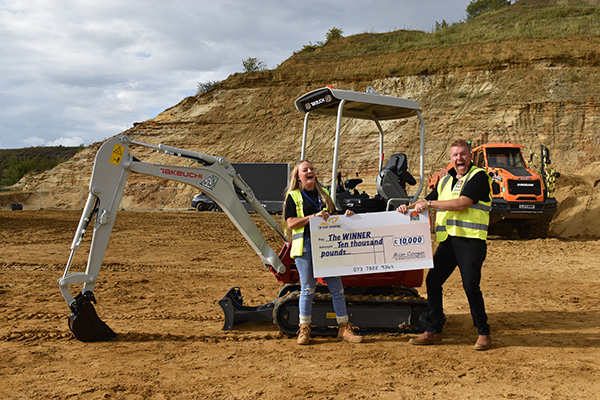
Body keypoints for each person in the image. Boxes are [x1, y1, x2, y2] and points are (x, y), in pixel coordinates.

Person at [397, 139, 493, 351]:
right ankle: (433, 329)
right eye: (455, 155)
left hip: (470, 242)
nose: (459, 158)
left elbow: (462, 203)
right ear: (451, 158)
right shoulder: (444, 181)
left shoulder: (478, 177)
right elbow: (425, 201)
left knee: (470, 286)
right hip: (449, 241)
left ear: (470, 156)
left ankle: (483, 332)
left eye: (463, 154)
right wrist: (407, 207)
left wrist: (429, 204)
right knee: (433, 281)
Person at [283, 160, 363, 345]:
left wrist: (346, 215)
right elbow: (291, 223)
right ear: (298, 176)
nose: (310, 171)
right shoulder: (293, 196)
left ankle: (344, 328)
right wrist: (313, 217)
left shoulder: (323, 194)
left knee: (336, 287)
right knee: (308, 288)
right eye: (305, 170)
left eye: (312, 168)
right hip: (306, 246)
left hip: (326, 246)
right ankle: (304, 330)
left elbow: (333, 216)